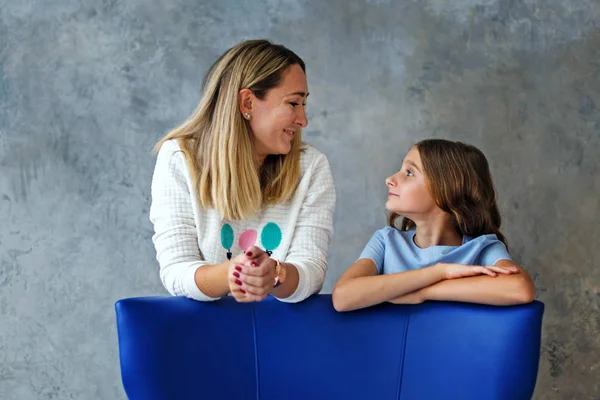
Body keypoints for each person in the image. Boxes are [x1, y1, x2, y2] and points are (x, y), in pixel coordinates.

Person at [150, 39, 335, 303]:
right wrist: (234, 273)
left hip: (279, 333)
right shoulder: (180, 158)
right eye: (294, 103)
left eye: (304, 104)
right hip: (206, 333)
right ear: (247, 103)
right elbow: (176, 272)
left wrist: (275, 274)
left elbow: (311, 272)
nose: (303, 120)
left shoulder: (312, 167)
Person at [332, 139, 535, 312]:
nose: (390, 179)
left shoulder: (483, 248)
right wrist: (439, 272)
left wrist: (424, 292)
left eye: (409, 173)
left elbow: (520, 288)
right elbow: (343, 297)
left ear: (446, 190)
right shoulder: (385, 242)